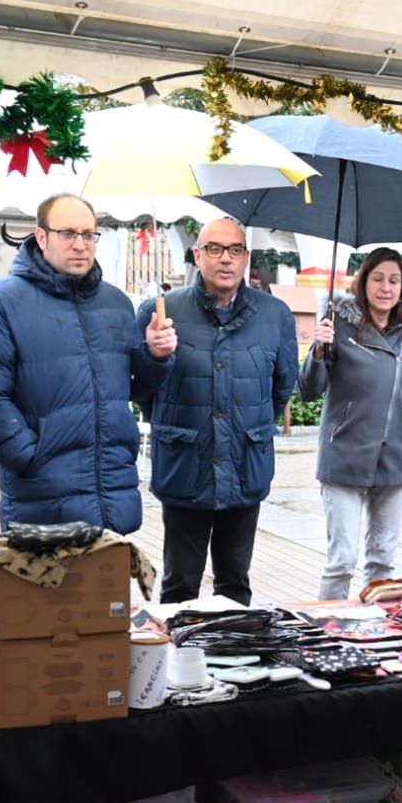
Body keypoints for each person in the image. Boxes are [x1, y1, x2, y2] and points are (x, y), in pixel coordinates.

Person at [0, 194, 176, 534]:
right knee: (43, 589)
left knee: (109, 588)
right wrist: (30, 458)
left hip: (112, 493)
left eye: (89, 234)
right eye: (68, 233)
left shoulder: (117, 303)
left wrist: (156, 355)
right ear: (41, 237)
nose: (80, 245)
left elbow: (133, 389)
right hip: (42, 500)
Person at [134, 218, 297, 606]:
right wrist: (154, 355)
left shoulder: (274, 315)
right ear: (197, 254)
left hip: (245, 465)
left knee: (235, 584)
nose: (226, 259)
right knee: (179, 585)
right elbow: (140, 389)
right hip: (185, 468)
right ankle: (175, 664)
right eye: (214, 249)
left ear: (246, 257)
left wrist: (249, 425)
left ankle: (235, 662)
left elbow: (280, 388)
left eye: (235, 250)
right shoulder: (161, 311)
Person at [298, 248, 402, 600]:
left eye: (394, 280)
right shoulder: (338, 326)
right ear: (363, 282)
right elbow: (308, 390)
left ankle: (375, 638)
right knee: (342, 562)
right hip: (344, 456)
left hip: (394, 458)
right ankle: (325, 634)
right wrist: (318, 350)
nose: (386, 287)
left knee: (382, 564)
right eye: (378, 278)